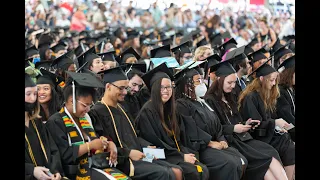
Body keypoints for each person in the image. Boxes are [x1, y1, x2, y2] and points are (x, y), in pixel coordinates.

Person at [89, 66, 183, 180]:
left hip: (139, 155)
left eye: (126, 88)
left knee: (176, 171)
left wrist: (146, 146)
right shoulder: (97, 112)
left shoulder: (122, 109)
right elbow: (102, 146)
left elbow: (135, 135)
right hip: (122, 161)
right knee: (164, 173)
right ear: (108, 87)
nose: (125, 92)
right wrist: (128, 153)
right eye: (121, 88)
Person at [204, 60, 288, 180]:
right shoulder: (210, 100)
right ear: (219, 80)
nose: (233, 86)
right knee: (265, 158)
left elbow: (238, 120)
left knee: (270, 152)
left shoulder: (231, 97)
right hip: (231, 141)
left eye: (234, 82)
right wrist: (234, 128)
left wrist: (245, 123)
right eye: (229, 82)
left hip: (244, 138)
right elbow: (215, 128)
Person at [135, 63, 209, 180]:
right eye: (162, 87)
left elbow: (180, 138)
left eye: (169, 87)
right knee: (192, 171)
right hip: (160, 157)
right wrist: (182, 157)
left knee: (202, 168)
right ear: (154, 89)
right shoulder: (147, 113)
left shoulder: (170, 110)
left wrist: (186, 154)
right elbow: (158, 144)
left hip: (175, 154)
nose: (166, 90)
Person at [174, 62, 247, 180]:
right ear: (187, 85)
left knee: (242, 160)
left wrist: (221, 139)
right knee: (230, 163)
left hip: (215, 144)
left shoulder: (202, 102)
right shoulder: (182, 104)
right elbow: (191, 130)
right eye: (198, 81)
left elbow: (217, 123)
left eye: (202, 80)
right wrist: (210, 143)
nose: (202, 84)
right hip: (201, 148)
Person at [46, 71, 121, 180]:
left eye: (90, 105)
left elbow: (99, 137)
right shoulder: (56, 122)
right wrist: (90, 146)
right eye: (85, 105)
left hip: (96, 166)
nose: (88, 109)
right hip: (74, 173)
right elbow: (63, 155)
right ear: (72, 101)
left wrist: (109, 144)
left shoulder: (88, 117)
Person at [238, 60, 295, 180]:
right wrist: (274, 123)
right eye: (272, 80)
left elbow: (271, 117)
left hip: (269, 133)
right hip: (258, 137)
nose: (274, 84)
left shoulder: (266, 94)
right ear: (262, 79)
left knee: (287, 141)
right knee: (286, 144)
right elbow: (255, 125)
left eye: (275, 80)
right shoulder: (251, 97)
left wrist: (279, 126)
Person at [25, 73, 67, 180]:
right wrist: (32, 170)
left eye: (35, 94)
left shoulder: (36, 121)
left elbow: (53, 149)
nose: (33, 98)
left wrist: (55, 171)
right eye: (28, 94)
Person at [276, 55, 295, 141]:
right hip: (288, 131)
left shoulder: (291, 88)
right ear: (289, 74)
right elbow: (287, 117)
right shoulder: (281, 92)